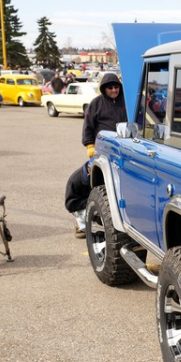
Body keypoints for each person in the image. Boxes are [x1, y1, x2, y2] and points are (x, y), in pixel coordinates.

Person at [65, 73, 126, 238]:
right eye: (110, 87)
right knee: (75, 183)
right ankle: (83, 220)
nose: (114, 90)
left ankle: (107, 215)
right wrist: (90, 146)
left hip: (126, 153)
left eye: (116, 87)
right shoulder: (96, 104)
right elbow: (88, 127)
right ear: (104, 88)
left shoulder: (127, 102)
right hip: (102, 154)